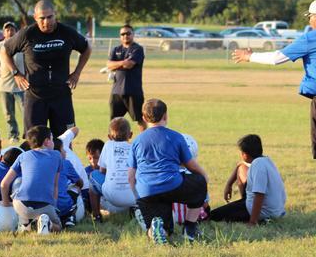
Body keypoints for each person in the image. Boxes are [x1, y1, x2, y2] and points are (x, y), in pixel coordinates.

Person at [232, 0, 316, 228]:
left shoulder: (313, 36)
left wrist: (250, 56)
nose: (310, 22)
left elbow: (277, 58)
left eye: (310, 18)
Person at [0, 0, 92, 138]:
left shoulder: (66, 32)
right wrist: (16, 73)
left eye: (50, 17)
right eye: (42, 18)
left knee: (64, 140)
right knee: (34, 141)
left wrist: (77, 72)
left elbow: (87, 48)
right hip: (35, 96)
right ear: (35, 17)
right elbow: (4, 51)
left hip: (61, 95)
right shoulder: (27, 34)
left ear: (55, 14)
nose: (46, 22)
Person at [128, 99, 209, 244]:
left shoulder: (137, 141)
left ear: (144, 118)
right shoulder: (176, 136)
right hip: (172, 186)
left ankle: (155, 230)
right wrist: (204, 177)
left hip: (146, 191)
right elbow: (192, 166)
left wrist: (139, 198)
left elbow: (131, 177)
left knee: (165, 230)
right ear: (165, 116)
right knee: (199, 183)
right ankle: (190, 229)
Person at [208, 134, 286, 224]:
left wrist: (253, 221)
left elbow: (259, 195)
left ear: (245, 154)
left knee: (213, 215)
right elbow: (241, 165)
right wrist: (229, 184)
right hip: (276, 211)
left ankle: (257, 219)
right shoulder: (266, 160)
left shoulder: (258, 165)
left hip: (264, 212)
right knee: (241, 168)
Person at [0, 125, 63, 234]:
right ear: (47, 141)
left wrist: (6, 204)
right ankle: (47, 223)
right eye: (52, 139)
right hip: (44, 206)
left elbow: (4, 184)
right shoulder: (57, 155)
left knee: (18, 183)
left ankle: (25, 222)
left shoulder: (23, 156)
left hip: (21, 205)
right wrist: (53, 206)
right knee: (58, 227)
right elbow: (55, 186)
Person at [89, 118, 137, 220]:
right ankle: (135, 209)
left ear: (109, 136)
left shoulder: (108, 145)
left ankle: (96, 216)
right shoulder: (134, 147)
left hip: (112, 195)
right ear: (130, 134)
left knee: (93, 176)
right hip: (134, 196)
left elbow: (102, 171)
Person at [105, 24, 146, 131]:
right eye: (122, 34)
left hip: (133, 91)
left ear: (133, 34)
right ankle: (115, 140)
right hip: (116, 91)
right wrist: (123, 62)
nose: (125, 36)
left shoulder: (137, 49)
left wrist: (116, 64)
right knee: (114, 122)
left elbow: (129, 64)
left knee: (140, 119)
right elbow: (109, 65)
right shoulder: (116, 49)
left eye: (128, 33)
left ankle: (143, 139)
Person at [0, 22, 25, 142]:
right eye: (7, 30)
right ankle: (13, 135)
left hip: (21, 85)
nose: (10, 32)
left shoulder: (22, 46)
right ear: (4, 33)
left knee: (26, 111)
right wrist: (5, 73)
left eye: (12, 29)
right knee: (9, 113)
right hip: (5, 86)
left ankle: (28, 134)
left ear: (16, 32)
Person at [52, 138, 84, 228]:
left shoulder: (41, 163)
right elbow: (80, 182)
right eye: (63, 149)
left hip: (43, 205)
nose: (65, 151)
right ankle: (70, 217)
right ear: (58, 152)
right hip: (61, 205)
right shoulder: (65, 163)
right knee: (75, 188)